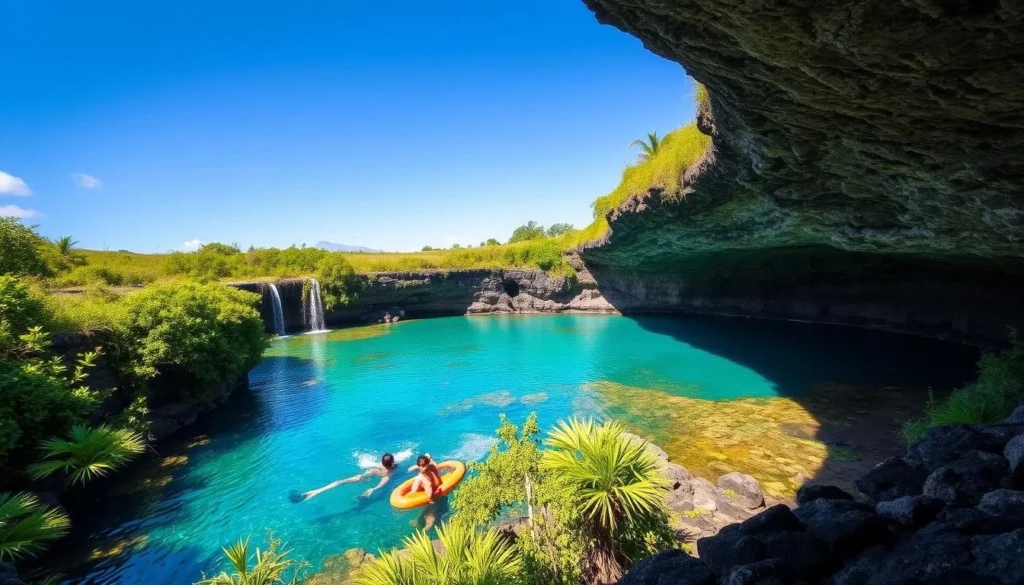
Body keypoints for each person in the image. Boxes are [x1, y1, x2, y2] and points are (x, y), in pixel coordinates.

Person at [291, 453, 397, 503]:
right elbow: (384, 482)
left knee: (341, 482)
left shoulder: (376, 468)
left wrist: (362, 477)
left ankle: (313, 492)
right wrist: (373, 488)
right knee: (377, 486)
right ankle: (371, 489)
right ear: (392, 463)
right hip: (382, 476)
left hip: (368, 474)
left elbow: (365, 473)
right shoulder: (388, 473)